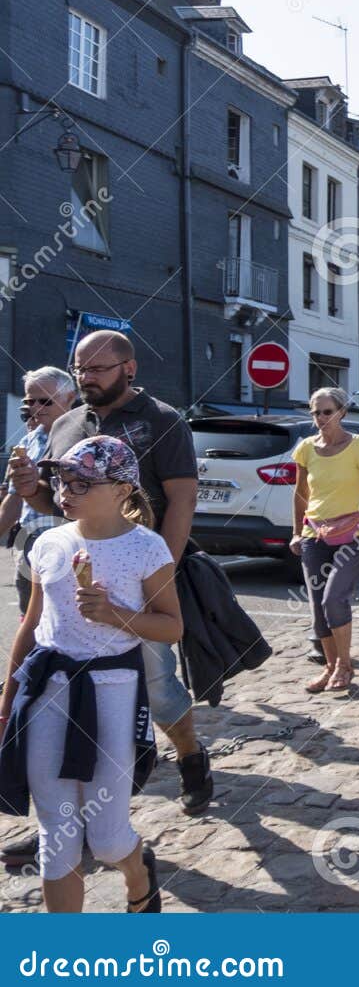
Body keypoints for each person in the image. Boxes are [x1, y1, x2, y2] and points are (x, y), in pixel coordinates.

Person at [7, 331, 211, 820]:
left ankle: (189, 753)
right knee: (64, 688)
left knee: (158, 688)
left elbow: (182, 500)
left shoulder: (162, 421)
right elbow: (54, 502)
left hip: (137, 574)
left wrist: (162, 573)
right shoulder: (67, 424)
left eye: (98, 368)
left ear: (130, 368)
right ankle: (69, 818)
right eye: (80, 369)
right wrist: (33, 486)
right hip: (68, 572)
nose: (87, 377)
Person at [0, 436, 181, 912]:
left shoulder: (146, 547)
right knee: (56, 833)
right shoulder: (48, 542)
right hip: (49, 689)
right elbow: (33, 625)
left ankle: (138, 872)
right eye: (62, 479)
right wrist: (7, 701)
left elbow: (171, 626)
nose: (66, 490)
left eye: (83, 482)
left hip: (114, 690)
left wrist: (114, 614)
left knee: (105, 837)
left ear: (122, 490)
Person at [289, 388, 359, 695]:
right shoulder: (306, 448)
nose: (320, 418)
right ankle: (330, 667)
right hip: (315, 534)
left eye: (326, 412)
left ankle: (344, 665)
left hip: (352, 533)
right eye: (315, 412)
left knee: (333, 597)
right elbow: (300, 494)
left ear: (341, 413)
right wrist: (296, 532)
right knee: (317, 606)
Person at [1, 368, 76, 611]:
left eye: (45, 401)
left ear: (70, 398)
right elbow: (14, 499)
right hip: (30, 542)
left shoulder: (85, 436)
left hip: (69, 543)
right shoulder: (27, 441)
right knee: (29, 613)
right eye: (29, 401)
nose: (35, 407)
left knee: (65, 615)